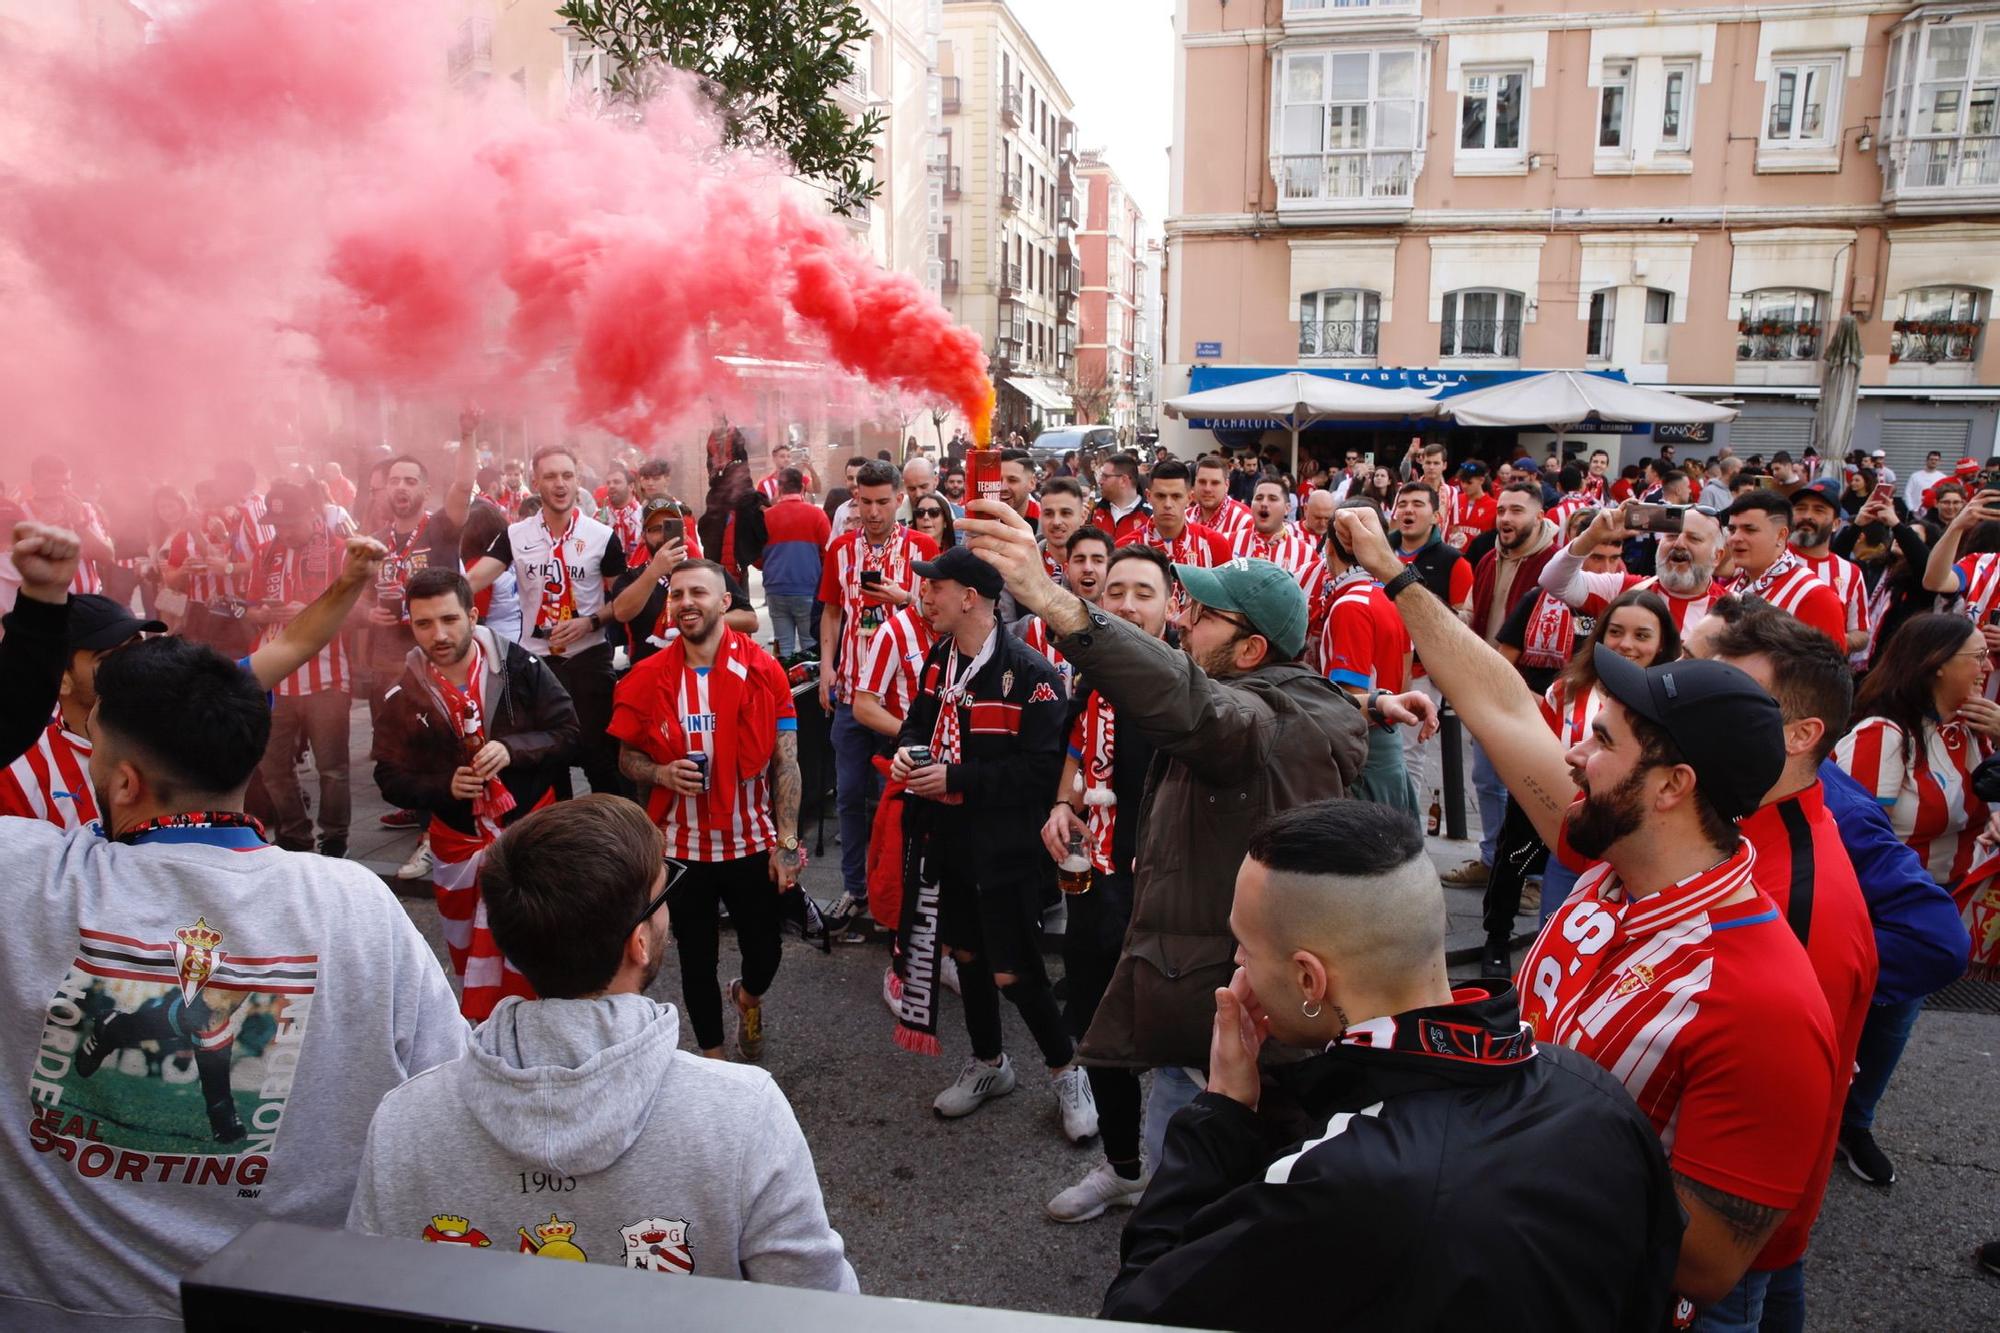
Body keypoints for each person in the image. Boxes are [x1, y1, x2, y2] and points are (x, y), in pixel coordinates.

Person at [1332, 503, 1840, 1323]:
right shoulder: (1613, 869)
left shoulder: (1761, 999)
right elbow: (1503, 706)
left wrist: (1468, 1168)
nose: (1570, 750)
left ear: (1673, 787)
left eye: (1600, 740)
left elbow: (1708, 1262)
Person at [0, 635, 465, 1327]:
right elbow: (447, 1101)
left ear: (124, 781)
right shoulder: (354, 904)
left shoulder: (24, 881)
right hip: (295, 1304)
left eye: (91, 746)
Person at [1099, 800, 1682, 1331]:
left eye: (1244, 946)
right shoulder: (1596, 1093)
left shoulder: (1338, 1182)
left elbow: (1137, 1312)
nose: (1237, 962)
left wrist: (1222, 1112)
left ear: (1309, 979)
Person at [961, 501, 1418, 1170]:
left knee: (1191, 1190)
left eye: (1203, 615)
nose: (1184, 620)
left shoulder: (1247, 716)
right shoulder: (1284, 694)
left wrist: (1053, 601)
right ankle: (1130, 1180)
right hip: (1209, 991)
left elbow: (1208, 708)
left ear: (1252, 649)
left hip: (1233, 1008)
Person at [346, 794, 857, 1290]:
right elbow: (819, 1303)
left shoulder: (403, 1121)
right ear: (638, 942)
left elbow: (367, 1295)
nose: (669, 913)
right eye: (663, 896)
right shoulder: (743, 1113)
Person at [1685, 605, 1879, 1326]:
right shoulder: (1740, 823)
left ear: (1801, 736)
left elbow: (1755, 1142)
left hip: (1720, 1256)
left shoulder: (1796, 900)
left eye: (1730, 700)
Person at [884, 547, 1089, 1135]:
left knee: (1016, 972)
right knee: (967, 958)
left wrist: (956, 778)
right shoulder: (939, 659)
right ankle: (988, 1063)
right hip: (945, 840)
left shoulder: (1034, 676)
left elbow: (1040, 773)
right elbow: (918, 722)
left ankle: (1065, 1071)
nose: (924, 596)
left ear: (970, 597)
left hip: (1007, 851)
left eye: (934, 588)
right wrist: (907, 750)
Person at [610, 560, 803, 1062]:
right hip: (681, 848)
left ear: (725, 604)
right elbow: (627, 758)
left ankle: (748, 995)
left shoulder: (765, 671)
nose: (685, 602)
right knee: (696, 962)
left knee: (766, 954)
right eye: (676, 594)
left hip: (750, 842)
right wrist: (660, 774)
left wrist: (785, 845)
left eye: (698, 592)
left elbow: (786, 763)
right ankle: (714, 1062)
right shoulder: (647, 677)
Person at [1832, 612, 1998, 1182]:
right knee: (1857, 1019)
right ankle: (1821, 1121)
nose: (1987, 667)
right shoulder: (1882, 735)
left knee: (1893, 1023)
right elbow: (1853, 838)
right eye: (1977, 656)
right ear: (1935, 666)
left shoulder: (1970, 729)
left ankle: (1854, 1122)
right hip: (1882, 911)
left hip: (1937, 902)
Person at [372, 567, 580, 1020]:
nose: (439, 634)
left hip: (530, 835)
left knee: (541, 950)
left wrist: (511, 749)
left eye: (449, 620)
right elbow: (388, 776)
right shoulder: (401, 692)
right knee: (470, 956)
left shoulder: (520, 665)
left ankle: (546, 1030)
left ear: (471, 615)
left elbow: (569, 732)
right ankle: (487, 1037)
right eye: (424, 624)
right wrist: (441, 786)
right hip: (456, 842)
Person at [1042, 546, 1175, 1222]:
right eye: (1115, 589)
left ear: (1172, 604)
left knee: (1192, 1053)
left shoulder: (1188, 685)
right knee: (1102, 1034)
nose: (1125, 602)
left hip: (1175, 902)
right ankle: (1124, 1167)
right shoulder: (1094, 679)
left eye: (1142, 591)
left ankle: (1197, 1190)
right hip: (1097, 888)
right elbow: (1075, 747)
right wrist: (1064, 803)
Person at [468, 445, 629, 799]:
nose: (560, 484)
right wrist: (437, 596)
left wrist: (591, 621)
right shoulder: (515, 534)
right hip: (536, 661)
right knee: (546, 759)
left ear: (577, 480)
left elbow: (624, 601)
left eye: (567, 476)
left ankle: (617, 840)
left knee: (599, 758)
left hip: (587, 658)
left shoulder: (602, 536)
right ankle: (557, 841)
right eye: (551, 476)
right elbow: (475, 580)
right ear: (536, 482)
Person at [1515, 588, 1681, 927]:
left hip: (1636, 853)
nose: (1627, 644)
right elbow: (1537, 750)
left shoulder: (1674, 706)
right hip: (1569, 840)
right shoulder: (1567, 690)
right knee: (1555, 934)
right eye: (1616, 632)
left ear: (1662, 644)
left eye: (1642, 635)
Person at [815, 460, 936, 928]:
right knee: (847, 796)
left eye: (882, 501)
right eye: (864, 502)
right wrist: (826, 669)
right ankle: (854, 889)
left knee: (897, 800)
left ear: (899, 499)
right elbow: (830, 613)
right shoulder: (842, 549)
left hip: (902, 700)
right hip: (850, 692)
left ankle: (901, 891)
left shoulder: (922, 547)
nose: (872, 511)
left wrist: (903, 598)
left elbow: (938, 614)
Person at [1449, 481, 1561, 888]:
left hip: (1531, 696)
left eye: (1516, 511)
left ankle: (1530, 877)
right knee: (1487, 781)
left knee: (1530, 788)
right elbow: (1471, 615)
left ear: (1540, 517)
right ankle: (1492, 858)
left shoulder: (1554, 564)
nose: (1506, 519)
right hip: (1487, 687)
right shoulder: (1488, 560)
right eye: (1502, 511)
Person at [246, 482, 358, 858]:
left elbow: (360, 611)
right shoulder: (265, 552)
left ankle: (334, 838)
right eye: (278, 524)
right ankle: (295, 836)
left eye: (291, 522)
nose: (285, 531)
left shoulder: (341, 552)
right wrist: (262, 613)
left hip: (327, 676)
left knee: (333, 769)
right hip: (274, 678)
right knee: (273, 767)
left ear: (313, 514)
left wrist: (311, 611)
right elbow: (250, 608)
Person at [0, 594, 164, 827]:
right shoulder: (19, 776)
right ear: (61, 680)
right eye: (108, 658)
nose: (134, 664)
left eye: (136, 646)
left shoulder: (181, 736)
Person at [1318, 499, 1422, 815]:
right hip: (1389, 739)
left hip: (1366, 751)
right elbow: (1406, 678)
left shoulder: (1351, 606)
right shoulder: (1390, 596)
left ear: (1330, 549)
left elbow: (1351, 702)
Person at [1385, 481, 1473, 807]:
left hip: (1422, 673)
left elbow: (1465, 621)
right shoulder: (1379, 552)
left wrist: (1426, 603)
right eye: (1403, 503)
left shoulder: (1453, 561)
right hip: (1378, 666)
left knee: (1409, 755)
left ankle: (1406, 829)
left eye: (1418, 504)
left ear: (1436, 514)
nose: (1408, 510)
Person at [1538, 498, 1730, 637]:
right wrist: (1592, 536)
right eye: (1670, 536)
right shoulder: (1624, 589)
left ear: (1717, 556)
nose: (1678, 544)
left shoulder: (1734, 610)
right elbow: (1553, 582)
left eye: (1694, 538)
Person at [607, 500, 757, 669]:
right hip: (652, 677)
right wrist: (654, 571)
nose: (664, 534)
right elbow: (620, 613)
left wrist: (704, 620)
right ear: (644, 536)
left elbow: (750, 620)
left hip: (704, 674)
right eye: (655, 529)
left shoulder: (709, 571)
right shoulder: (632, 577)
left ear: (684, 532)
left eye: (670, 526)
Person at [1718, 490, 1847, 647]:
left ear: (1781, 535)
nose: (1735, 538)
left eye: (1750, 530)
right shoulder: (1731, 588)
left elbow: (1829, 668)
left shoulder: (1815, 597)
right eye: (1732, 529)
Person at [1788, 478, 1871, 656]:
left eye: (1819, 510)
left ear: (1836, 524)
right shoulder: (1770, 558)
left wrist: (1829, 639)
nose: (1807, 516)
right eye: (1801, 508)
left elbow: (1861, 633)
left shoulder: (1851, 573)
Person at [761, 467, 832, 660]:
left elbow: (759, 558)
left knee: (784, 646)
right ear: (802, 487)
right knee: (810, 645)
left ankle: (785, 686)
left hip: (775, 588)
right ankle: (809, 688)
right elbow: (828, 554)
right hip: (808, 587)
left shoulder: (766, 517)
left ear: (779, 488)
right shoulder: (817, 515)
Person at [1191, 455, 1254, 545]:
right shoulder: (1185, 518)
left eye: (1215, 483)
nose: (1207, 489)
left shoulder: (1244, 522)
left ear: (1226, 485)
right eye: (1202, 482)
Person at [1090, 452, 1151, 543]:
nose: (1100, 481)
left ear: (1123, 480)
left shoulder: (1150, 515)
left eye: (1105, 476)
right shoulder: (1093, 509)